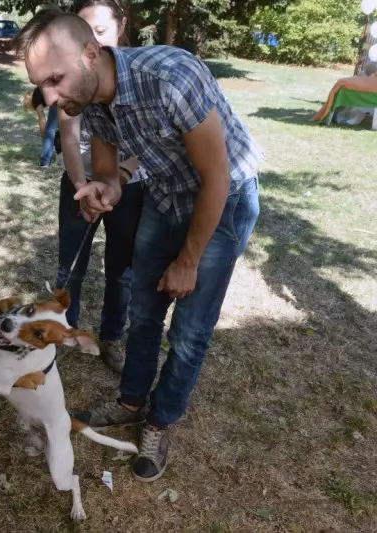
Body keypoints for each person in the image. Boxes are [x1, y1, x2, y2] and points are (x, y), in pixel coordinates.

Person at [14, 8, 263, 482]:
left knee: (189, 329)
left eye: (55, 79)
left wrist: (188, 260)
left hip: (223, 197)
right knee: (144, 313)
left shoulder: (171, 77)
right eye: (39, 83)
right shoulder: (89, 97)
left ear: (92, 53)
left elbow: (217, 177)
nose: (48, 97)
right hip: (166, 192)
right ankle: (131, 401)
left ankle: (159, 420)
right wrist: (107, 187)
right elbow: (110, 169)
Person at [55, 0, 145, 373]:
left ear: (122, 26)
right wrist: (82, 186)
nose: (94, 43)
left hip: (132, 184)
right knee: (69, 268)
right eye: (85, 33)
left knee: (121, 269)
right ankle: (63, 332)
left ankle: (111, 337)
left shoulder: (140, 74)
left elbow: (150, 143)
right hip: (81, 182)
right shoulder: (69, 74)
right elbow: (69, 135)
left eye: (102, 32)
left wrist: (119, 176)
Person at [24, 86, 59, 168]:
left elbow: (42, 120)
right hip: (61, 93)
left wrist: (45, 140)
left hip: (57, 99)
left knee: (50, 129)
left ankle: (45, 161)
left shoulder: (35, 100)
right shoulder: (38, 91)